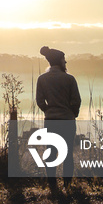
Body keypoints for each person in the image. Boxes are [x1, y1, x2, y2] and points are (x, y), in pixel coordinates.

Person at [36, 45, 81, 189]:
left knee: (51, 153)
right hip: (67, 121)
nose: (65, 63)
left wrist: (48, 111)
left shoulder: (42, 79)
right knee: (67, 153)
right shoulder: (69, 79)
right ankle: (67, 185)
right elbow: (76, 100)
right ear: (60, 61)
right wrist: (72, 113)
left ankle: (52, 185)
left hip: (51, 121)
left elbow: (40, 100)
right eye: (64, 60)